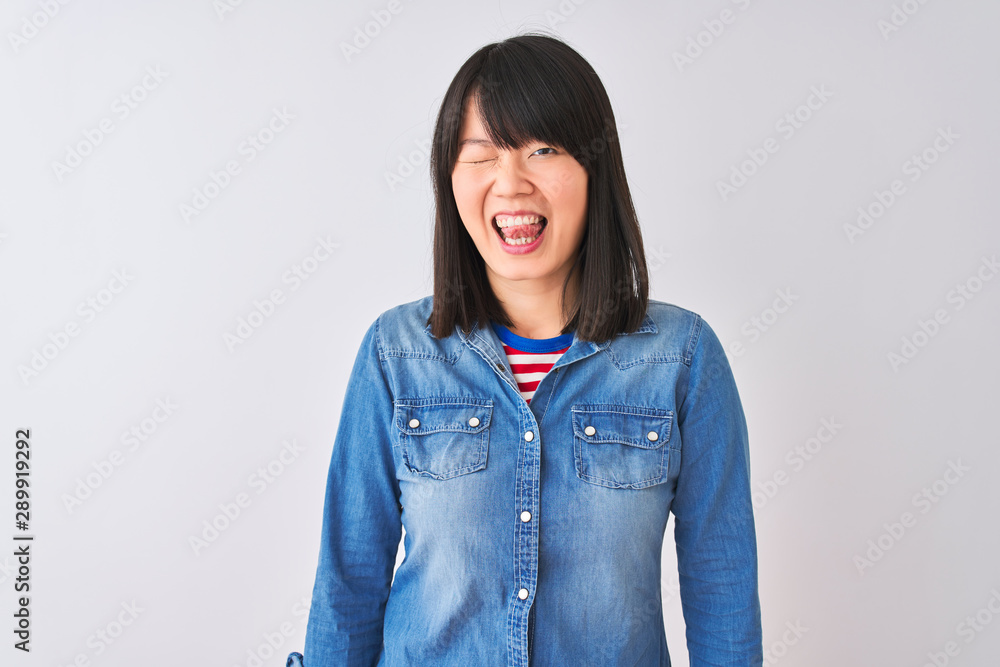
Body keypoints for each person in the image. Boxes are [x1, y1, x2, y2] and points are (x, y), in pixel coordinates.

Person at [287, 33, 762, 666]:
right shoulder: (395, 356)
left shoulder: (681, 359)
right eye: (481, 154)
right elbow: (349, 583)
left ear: (595, 170)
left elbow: (721, 584)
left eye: (542, 149)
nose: (511, 184)